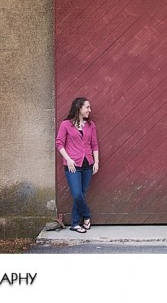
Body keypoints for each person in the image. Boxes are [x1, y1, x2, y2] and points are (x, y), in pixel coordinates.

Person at [56, 96, 100, 233]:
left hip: (88, 164)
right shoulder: (66, 124)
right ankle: (86, 216)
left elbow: (94, 144)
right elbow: (59, 143)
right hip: (72, 165)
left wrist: (96, 161)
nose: (89, 110)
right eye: (87, 107)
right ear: (79, 108)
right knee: (77, 194)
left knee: (82, 194)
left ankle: (75, 224)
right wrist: (68, 159)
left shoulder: (91, 125)